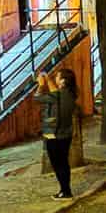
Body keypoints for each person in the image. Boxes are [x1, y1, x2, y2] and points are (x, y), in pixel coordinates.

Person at [39, 67, 77, 198]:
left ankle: (65, 191)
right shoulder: (70, 94)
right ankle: (66, 190)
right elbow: (55, 92)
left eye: (57, 77)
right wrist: (48, 80)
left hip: (53, 134)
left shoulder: (57, 96)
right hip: (66, 133)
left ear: (63, 81)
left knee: (57, 164)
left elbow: (37, 98)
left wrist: (41, 85)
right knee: (64, 163)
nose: (55, 79)